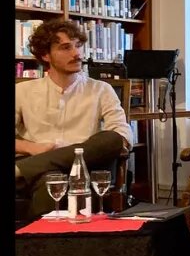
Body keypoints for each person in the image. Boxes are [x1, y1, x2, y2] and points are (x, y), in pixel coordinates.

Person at [15, 18, 132, 219]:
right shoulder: (22, 91)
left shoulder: (100, 89)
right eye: (65, 48)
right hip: (41, 173)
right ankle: (46, 246)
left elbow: (122, 137)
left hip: (87, 166)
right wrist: (32, 148)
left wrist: (61, 156)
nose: (76, 53)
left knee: (111, 138)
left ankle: (19, 170)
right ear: (45, 55)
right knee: (54, 181)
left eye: (78, 46)